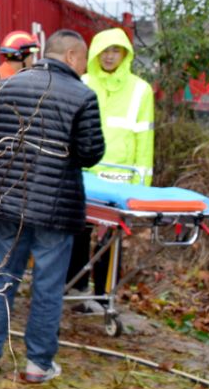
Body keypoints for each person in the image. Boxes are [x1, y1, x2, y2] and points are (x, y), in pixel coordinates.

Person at [0, 29, 105, 382]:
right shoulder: (82, 95)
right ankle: (37, 364)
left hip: (8, 199)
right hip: (55, 206)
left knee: (1, 276)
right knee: (47, 285)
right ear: (73, 56)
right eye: (85, 58)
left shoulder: (8, 85)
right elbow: (91, 153)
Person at [66, 27, 155, 308]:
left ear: (125, 54)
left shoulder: (140, 89)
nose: (109, 56)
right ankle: (74, 287)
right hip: (85, 174)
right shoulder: (83, 82)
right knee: (77, 233)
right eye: (105, 50)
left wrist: (142, 186)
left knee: (110, 241)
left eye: (116, 50)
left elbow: (145, 137)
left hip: (120, 178)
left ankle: (104, 296)